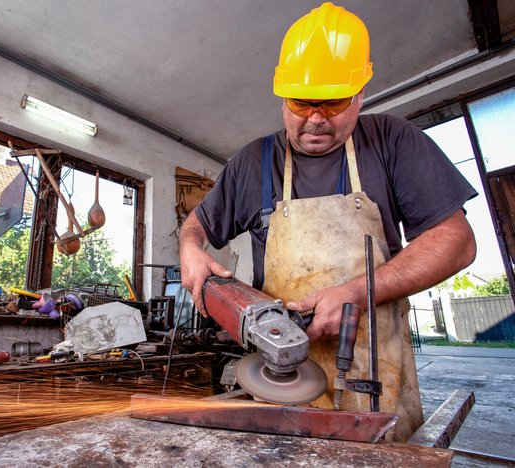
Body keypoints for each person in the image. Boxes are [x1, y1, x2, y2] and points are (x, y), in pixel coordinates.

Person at [179, 2, 477, 442]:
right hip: (278, 381)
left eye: (334, 102)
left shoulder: (393, 141)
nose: (316, 118)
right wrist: (191, 248)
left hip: (377, 375)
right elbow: (196, 225)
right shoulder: (251, 163)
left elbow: (458, 241)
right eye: (302, 102)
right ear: (283, 96)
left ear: (359, 94)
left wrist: (356, 293)